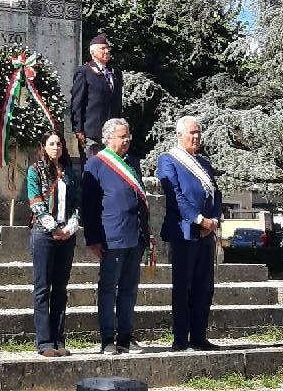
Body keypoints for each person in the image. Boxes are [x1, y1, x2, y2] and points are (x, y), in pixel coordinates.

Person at [81, 118, 150, 355]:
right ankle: (107, 338)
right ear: (108, 138)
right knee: (109, 289)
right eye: (122, 136)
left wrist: (146, 234)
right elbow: (88, 206)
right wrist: (92, 238)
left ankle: (126, 336)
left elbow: (140, 200)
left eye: (128, 136)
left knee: (130, 289)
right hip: (111, 236)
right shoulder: (96, 164)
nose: (127, 140)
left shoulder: (131, 163)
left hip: (135, 235)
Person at [156, 116, 222, 352]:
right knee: (183, 286)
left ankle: (199, 335)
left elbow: (216, 194)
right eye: (191, 133)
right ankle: (181, 338)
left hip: (207, 232)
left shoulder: (204, 163)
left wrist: (213, 220)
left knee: (204, 286)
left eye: (198, 133)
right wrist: (198, 219)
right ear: (179, 135)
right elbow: (175, 196)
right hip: (184, 231)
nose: (195, 137)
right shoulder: (168, 160)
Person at [26, 130, 80, 357]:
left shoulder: (70, 173)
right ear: (44, 147)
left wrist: (70, 226)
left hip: (66, 235)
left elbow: (77, 202)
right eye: (51, 144)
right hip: (44, 234)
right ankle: (45, 342)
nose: (56, 147)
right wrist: (53, 228)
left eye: (59, 143)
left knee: (61, 288)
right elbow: (35, 201)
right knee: (42, 288)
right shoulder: (34, 170)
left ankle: (58, 339)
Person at [71, 33, 122, 163]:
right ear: (93, 52)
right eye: (103, 48)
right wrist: (79, 129)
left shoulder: (115, 73)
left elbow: (117, 103)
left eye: (108, 48)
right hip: (92, 133)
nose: (107, 51)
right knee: (92, 169)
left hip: (112, 133)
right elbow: (77, 103)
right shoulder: (84, 72)